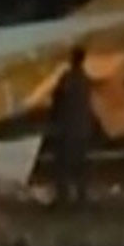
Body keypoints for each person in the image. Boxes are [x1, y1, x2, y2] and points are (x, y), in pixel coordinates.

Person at [50, 45, 94, 206]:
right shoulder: (86, 80)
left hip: (68, 127)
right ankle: (82, 196)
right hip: (83, 128)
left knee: (63, 163)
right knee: (80, 163)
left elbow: (57, 97)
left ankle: (63, 197)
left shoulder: (68, 78)